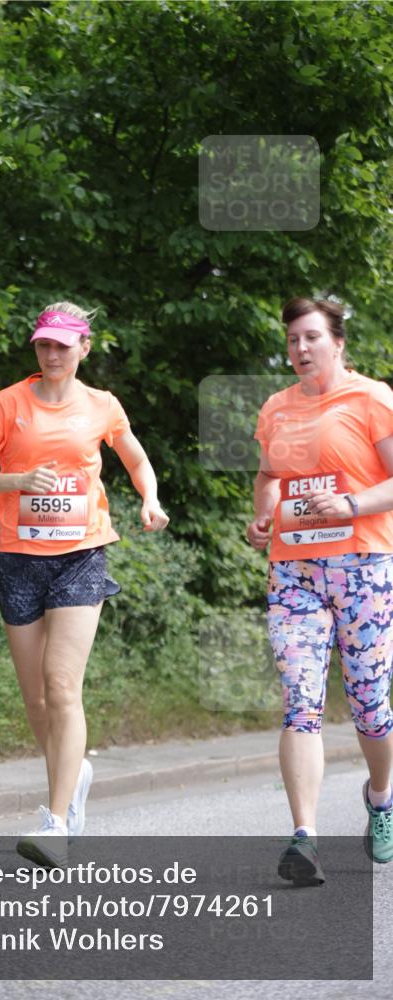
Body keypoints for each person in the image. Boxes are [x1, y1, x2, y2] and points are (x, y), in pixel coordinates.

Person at [0, 301, 169, 868]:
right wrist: (19, 479)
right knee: (35, 697)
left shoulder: (102, 405)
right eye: (43, 344)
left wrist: (150, 499)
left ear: (84, 348)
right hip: (18, 559)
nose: (51, 353)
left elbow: (137, 460)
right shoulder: (8, 402)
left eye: (61, 345)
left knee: (61, 685)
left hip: (81, 555)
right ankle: (73, 777)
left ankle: (55, 822)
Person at [247, 297, 393, 885]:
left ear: (337, 342)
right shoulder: (276, 408)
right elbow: (268, 478)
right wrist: (263, 516)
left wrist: (351, 503)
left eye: (311, 337)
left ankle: (381, 797)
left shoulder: (372, 398)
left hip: (364, 567)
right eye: (293, 340)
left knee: (370, 705)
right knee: (300, 699)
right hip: (295, 573)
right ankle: (304, 838)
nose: (301, 348)